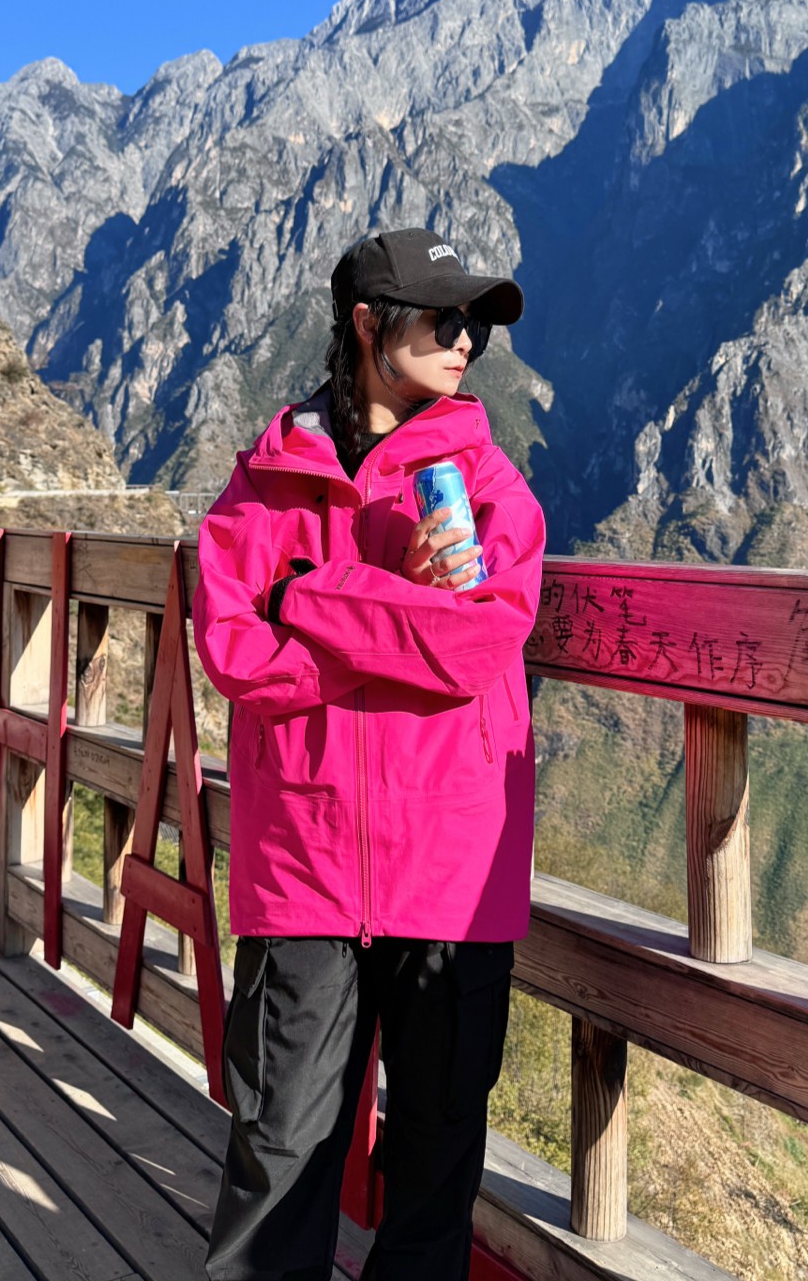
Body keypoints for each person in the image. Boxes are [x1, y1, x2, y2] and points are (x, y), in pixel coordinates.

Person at [193, 227, 546, 1281]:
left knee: (435, 1164)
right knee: (279, 1154)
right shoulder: (265, 484)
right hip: (302, 865)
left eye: (476, 322)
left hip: (450, 873)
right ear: (365, 324)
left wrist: (307, 594)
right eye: (445, 316)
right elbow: (233, 650)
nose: (466, 339)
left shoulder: (488, 484)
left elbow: (477, 642)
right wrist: (400, 616)